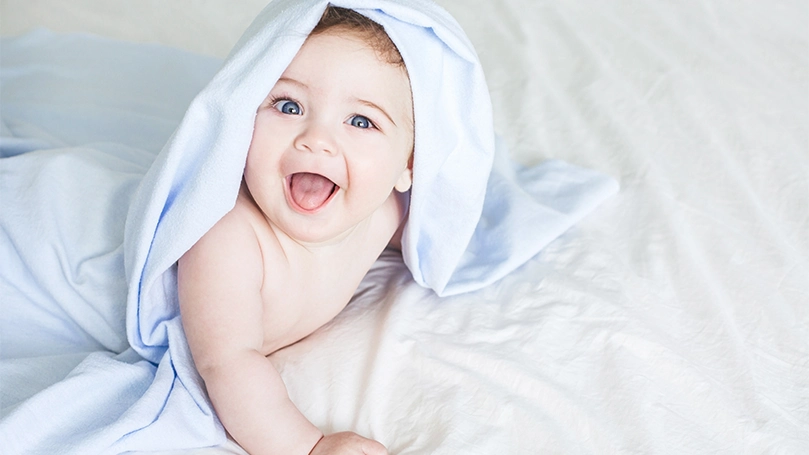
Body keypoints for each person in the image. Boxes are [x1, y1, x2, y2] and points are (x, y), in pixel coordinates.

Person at [177, 6, 412, 455]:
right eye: (289, 106)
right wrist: (308, 446)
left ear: (407, 166)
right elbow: (228, 362)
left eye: (361, 121)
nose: (316, 138)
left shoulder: (384, 213)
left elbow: (438, 224)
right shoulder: (228, 240)